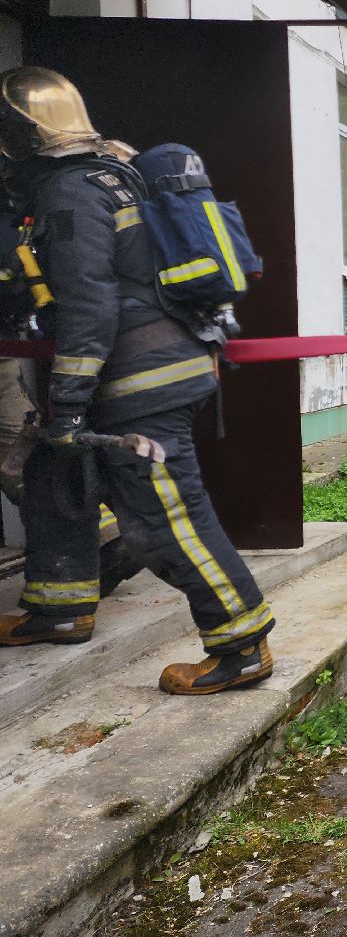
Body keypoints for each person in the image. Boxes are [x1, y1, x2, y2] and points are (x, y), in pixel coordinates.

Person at [0, 67, 275, 695]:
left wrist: (67, 403)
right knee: (55, 479)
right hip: (155, 368)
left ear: (19, 133)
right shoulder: (115, 173)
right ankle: (60, 607)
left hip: (139, 384)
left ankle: (242, 642)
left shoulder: (70, 192)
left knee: (168, 522)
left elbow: (88, 307)